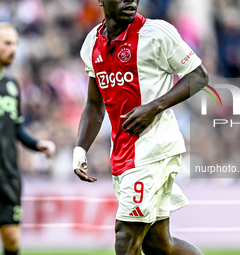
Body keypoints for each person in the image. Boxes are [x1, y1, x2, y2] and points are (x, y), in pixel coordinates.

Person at [73, 0, 208, 254]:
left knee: (125, 236)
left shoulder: (156, 33)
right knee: (158, 244)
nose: (130, 0)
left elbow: (199, 75)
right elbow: (94, 104)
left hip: (154, 148)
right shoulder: (92, 42)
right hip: (124, 154)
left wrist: (155, 107)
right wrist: (81, 148)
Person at [0, 23, 56, 255]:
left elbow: (16, 125)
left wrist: (36, 143)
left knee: (12, 238)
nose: (13, 49)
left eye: (16, 44)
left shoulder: (11, 86)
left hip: (7, 173)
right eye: (7, 43)